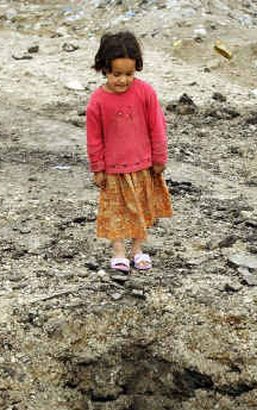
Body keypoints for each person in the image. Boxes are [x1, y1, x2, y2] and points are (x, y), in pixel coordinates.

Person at [86, 30, 173, 272]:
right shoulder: (98, 101)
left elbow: (157, 127)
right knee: (115, 211)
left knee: (143, 209)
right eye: (116, 74)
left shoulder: (145, 92)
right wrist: (98, 168)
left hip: (144, 166)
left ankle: (137, 249)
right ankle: (118, 251)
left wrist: (159, 158)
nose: (123, 80)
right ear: (104, 68)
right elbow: (94, 139)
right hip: (114, 170)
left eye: (129, 74)